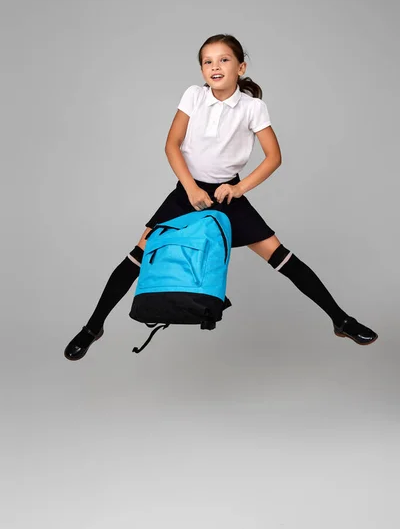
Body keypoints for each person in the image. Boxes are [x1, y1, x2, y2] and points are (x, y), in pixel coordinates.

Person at [64, 33, 378, 361]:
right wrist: (191, 189)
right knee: (138, 256)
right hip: (188, 189)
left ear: (240, 67)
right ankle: (93, 327)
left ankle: (341, 320)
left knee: (282, 257)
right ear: (201, 70)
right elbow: (172, 145)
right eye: (207, 61)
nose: (215, 66)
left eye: (224, 60)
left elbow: (273, 157)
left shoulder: (253, 107)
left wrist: (239, 189)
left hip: (229, 195)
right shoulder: (193, 97)